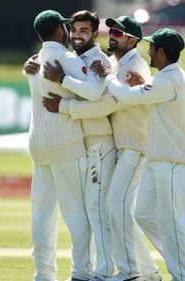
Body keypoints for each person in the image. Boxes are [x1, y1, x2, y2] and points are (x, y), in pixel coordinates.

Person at [38, 16, 161, 281]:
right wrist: (32, 66)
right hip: (93, 145)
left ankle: (104, 271)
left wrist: (64, 106)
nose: (77, 34)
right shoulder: (87, 60)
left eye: (84, 30)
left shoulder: (101, 63)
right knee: (111, 211)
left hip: (103, 144)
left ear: (95, 34)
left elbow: (103, 101)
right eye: (73, 29)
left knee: (99, 209)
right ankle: (148, 273)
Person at [90, 28, 185, 281]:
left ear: (162, 52)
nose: (148, 51)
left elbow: (128, 95)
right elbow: (149, 98)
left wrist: (107, 75)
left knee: (173, 221)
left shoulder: (170, 79)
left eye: (152, 48)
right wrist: (145, 87)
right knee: (143, 215)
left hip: (172, 160)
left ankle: (183, 276)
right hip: (156, 158)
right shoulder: (165, 79)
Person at [26, 10, 117, 281]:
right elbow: (94, 91)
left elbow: (32, 71)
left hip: (38, 145)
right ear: (59, 30)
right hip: (65, 144)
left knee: (42, 215)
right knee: (77, 214)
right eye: (67, 28)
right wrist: (100, 75)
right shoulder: (66, 59)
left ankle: (43, 274)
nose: (72, 33)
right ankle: (81, 273)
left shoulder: (35, 60)